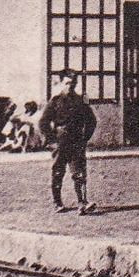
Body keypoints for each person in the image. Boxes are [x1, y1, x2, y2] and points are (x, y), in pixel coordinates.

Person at [39, 72, 97, 214]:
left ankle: (82, 203)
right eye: (67, 83)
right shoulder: (55, 101)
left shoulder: (82, 100)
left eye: (73, 83)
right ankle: (57, 203)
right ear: (61, 83)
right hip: (60, 141)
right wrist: (51, 140)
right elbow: (43, 122)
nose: (70, 86)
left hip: (76, 141)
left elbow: (91, 121)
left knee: (79, 173)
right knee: (58, 172)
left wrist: (85, 138)